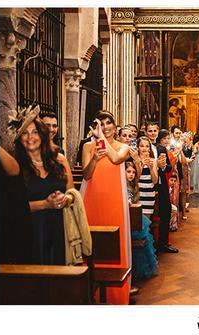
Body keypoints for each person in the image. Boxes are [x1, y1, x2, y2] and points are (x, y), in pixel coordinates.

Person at [80, 111, 131, 304]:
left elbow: (116, 159)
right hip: (91, 198)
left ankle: (115, 296)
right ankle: (89, 293)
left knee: (114, 245)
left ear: (114, 126)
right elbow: (86, 175)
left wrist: (101, 138)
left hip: (114, 200)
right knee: (91, 243)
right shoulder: (87, 146)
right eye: (101, 123)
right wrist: (94, 158)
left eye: (109, 123)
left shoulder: (123, 147)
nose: (105, 127)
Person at [14, 108, 74, 265]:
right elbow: (13, 208)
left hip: (59, 230)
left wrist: (64, 199)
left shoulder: (59, 159)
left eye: (34, 132)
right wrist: (45, 204)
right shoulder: (16, 166)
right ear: (19, 138)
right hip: (31, 232)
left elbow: (72, 193)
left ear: (42, 134)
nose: (30, 137)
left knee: (60, 282)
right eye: (24, 133)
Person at [124, 160, 158, 281]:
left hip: (133, 217)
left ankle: (139, 269)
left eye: (133, 172)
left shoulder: (134, 186)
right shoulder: (120, 187)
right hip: (124, 217)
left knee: (145, 239)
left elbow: (136, 202)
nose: (131, 174)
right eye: (128, 171)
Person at [151, 127, 179, 253]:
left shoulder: (161, 148)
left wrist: (163, 166)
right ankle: (150, 243)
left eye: (154, 131)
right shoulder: (143, 146)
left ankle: (163, 243)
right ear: (146, 132)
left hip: (161, 185)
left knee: (165, 211)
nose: (152, 133)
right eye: (150, 131)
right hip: (147, 184)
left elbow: (168, 168)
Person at [134, 136, 158, 217]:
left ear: (150, 148)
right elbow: (135, 179)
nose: (144, 148)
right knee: (136, 220)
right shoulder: (135, 160)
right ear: (137, 147)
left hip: (149, 193)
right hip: (138, 192)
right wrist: (140, 165)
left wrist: (151, 168)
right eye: (141, 146)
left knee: (147, 221)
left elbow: (155, 181)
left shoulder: (153, 161)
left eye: (147, 146)